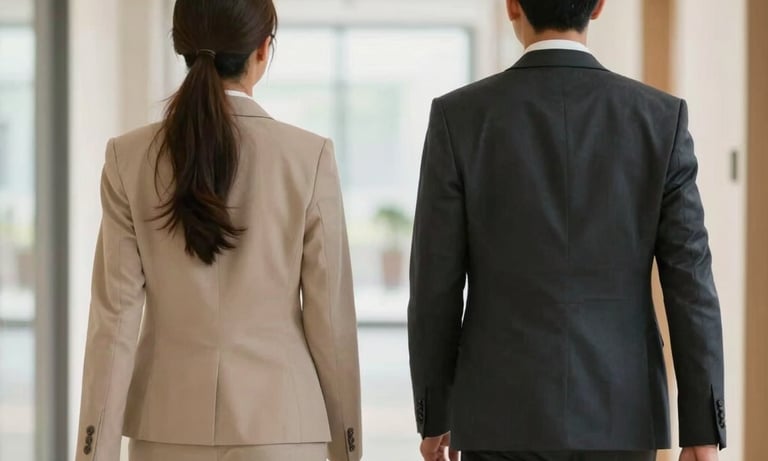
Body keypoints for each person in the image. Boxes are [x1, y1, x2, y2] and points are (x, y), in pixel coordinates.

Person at [407, 1, 726, 460]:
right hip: (623, 413)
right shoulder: (660, 119)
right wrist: (702, 429)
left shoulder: (458, 117)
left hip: (497, 413)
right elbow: (691, 283)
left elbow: (434, 285)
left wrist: (436, 410)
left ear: (512, 6)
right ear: (598, 7)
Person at [74, 1, 362, 460]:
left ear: (181, 46)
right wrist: (348, 448)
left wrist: (93, 453)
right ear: (263, 50)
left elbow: (115, 322)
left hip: (166, 427)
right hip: (283, 428)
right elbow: (330, 321)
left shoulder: (128, 158)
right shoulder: (309, 158)